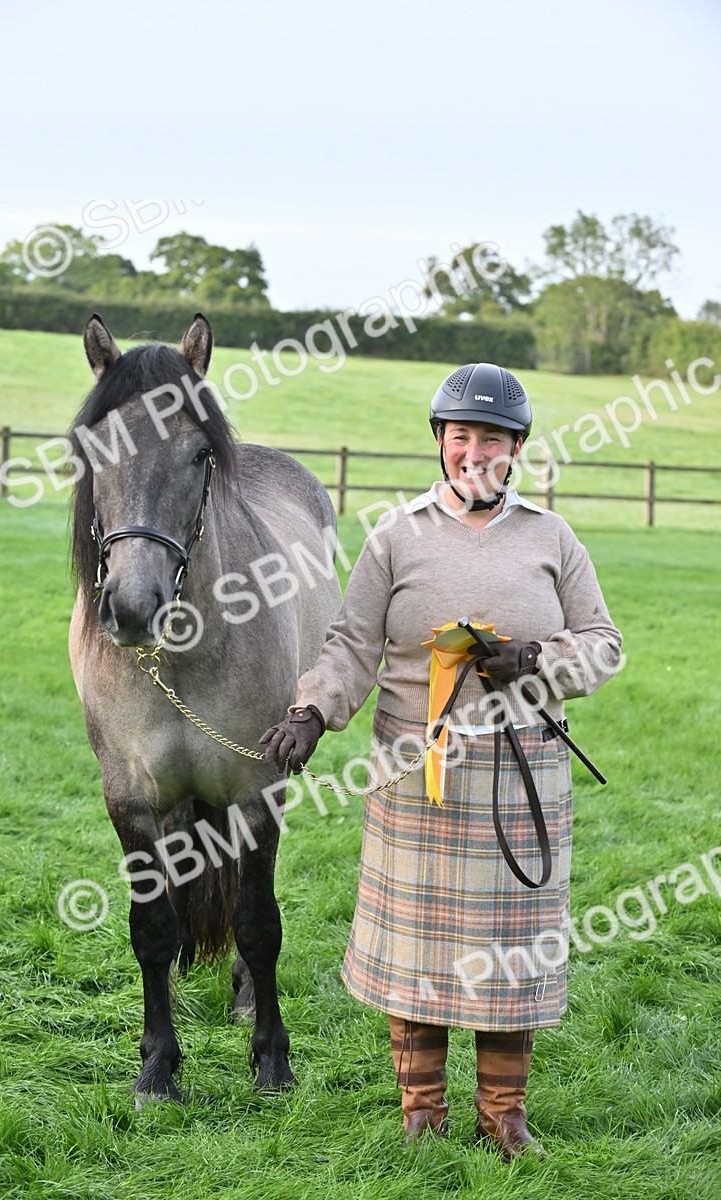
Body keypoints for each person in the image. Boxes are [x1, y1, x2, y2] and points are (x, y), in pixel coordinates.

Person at [260, 363, 623, 1158]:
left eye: (491, 437)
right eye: (460, 435)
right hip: (414, 771)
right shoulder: (396, 535)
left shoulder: (552, 539)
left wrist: (534, 657)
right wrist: (312, 711)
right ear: (440, 442)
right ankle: (421, 1113)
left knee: (511, 952)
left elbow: (603, 648)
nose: (474, 451)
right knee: (417, 952)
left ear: (517, 448)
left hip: (521, 775)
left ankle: (505, 1114)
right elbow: (352, 645)